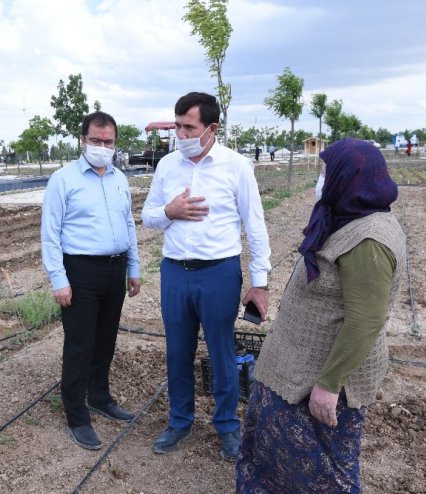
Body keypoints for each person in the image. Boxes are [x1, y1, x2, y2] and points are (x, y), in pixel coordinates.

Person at [236, 138, 406, 493]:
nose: (321, 179)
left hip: (316, 378)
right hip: (292, 366)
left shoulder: (369, 240)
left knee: (320, 471)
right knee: (277, 457)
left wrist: (328, 386)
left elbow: (365, 322)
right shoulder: (347, 219)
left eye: (326, 173)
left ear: (349, 178)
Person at [142, 92, 271, 462]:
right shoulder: (167, 166)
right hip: (175, 274)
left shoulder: (236, 166)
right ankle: (180, 421)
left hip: (219, 273)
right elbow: (149, 217)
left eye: (189, 127)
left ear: (211, 129)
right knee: (177, 352)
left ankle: (227, 425)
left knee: (222, 353)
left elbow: (255, 225)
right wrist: (170, 210)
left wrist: (259, 282)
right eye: (177, 125)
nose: (180, 133)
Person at [41, 111, 141, 450]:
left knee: (105, 339)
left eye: (108, 142)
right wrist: (59, 279)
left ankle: (99, 396)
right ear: (83, 141)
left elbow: (129, 226)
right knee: (80, 344)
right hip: (80, 271)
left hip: (115, 268)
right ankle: (76, 415)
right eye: (95, 141)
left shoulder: (119, 179)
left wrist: (134, 267)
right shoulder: (63, 179)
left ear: (115, 143)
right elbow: (50, 234)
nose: (102, 147)